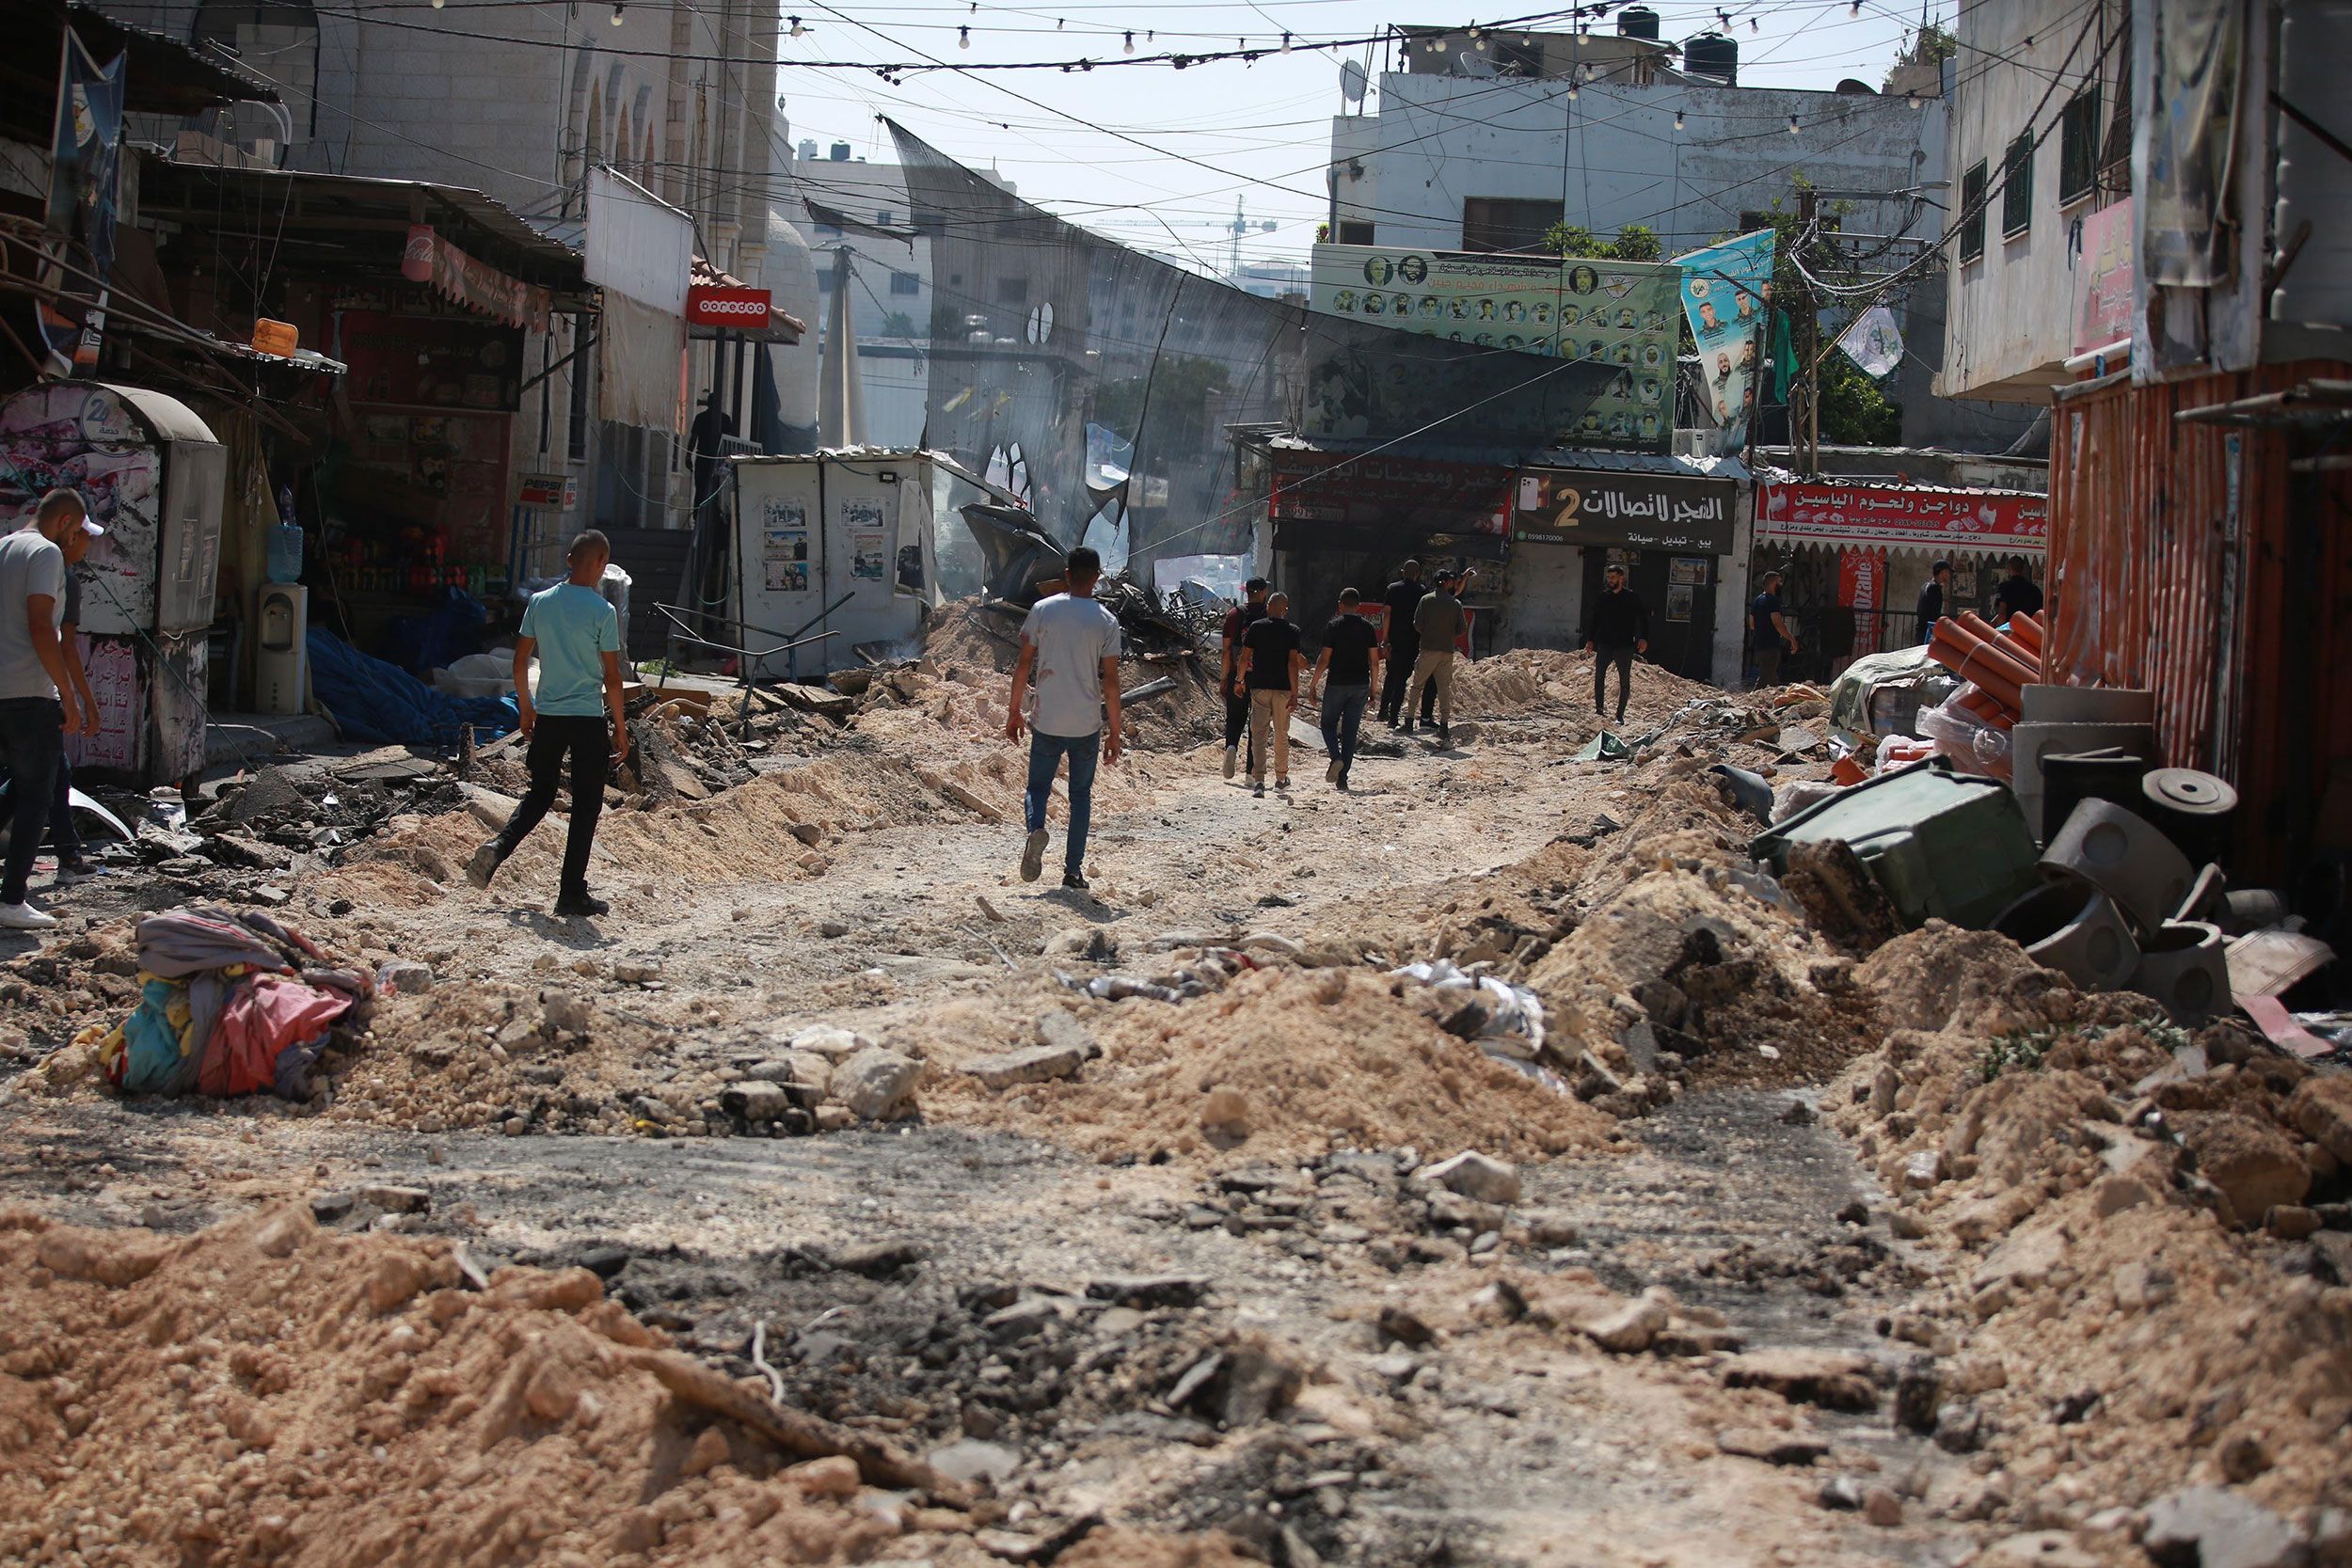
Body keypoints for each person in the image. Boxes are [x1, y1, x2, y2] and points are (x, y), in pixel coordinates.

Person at [467, 531, 629, 917]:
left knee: (540, 794)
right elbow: (612, 677)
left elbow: (520, 659)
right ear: (600, 561)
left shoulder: (540, 603)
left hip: (550, 716)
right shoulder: (602, 612)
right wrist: (620, 728)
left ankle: (499, 846)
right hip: (587, 719)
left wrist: (526, 706)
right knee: (587, 804)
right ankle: (571, 892)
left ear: (570, 559)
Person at [0, 490, 102, 931]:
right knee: (37, 795)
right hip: (28, 692)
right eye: (77, 530)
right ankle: (11, 899)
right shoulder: (44, 552)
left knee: (20, 790)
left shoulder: (5, 546)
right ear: (64, 522)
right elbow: (43, 626)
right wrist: (68, 695)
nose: (78, 538)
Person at [1004, 546, 1121, 890]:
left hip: (1047, 718)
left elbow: (1023, 664)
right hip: (1086, 723)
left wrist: (1014, 712)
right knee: (1080, 796)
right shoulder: (1107, 621)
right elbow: (1111, 683)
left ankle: (1036, 828)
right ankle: (1073, 871)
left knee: (1037, 787)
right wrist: (1115, 732)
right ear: (1097, 578)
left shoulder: (1042, 610)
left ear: (1066, 575)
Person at [1310, 589, 1381, 790]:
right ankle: (1343, 778)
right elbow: (1374, 662)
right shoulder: (1367, 628)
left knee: (1327, 724)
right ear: (1358, 606)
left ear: (1340, 604)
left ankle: (1335, 756)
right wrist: (1373, 689)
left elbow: (1324, 658)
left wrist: (1313, 683)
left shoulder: (1333, 626)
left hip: (1337, 683)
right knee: (1350, 731)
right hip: (1360, 684)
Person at [1236, 590, 1304, 795]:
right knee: (1281, 734)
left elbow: (1244, 657)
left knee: (1258, 735)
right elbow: (1293, 663)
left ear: (1268, 608)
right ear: (1286, 609)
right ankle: (1281, 779)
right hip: (1283, 689)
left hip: (1260, 688)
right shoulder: (1293, 631)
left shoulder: (1256, 628)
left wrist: (1239, 680)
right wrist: (1294, 692)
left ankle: (1259, 781)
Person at [1405, 568, 1467, 748]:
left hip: (1428, 648)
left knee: (1417, 685)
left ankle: (1409, 721)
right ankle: (1444, 725)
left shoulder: (1426, 600)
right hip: (1446, 650)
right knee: (1443, 688)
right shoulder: (1455, 604)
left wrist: (1429, 632)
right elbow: (1462, 628)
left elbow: (1417, 623)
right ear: (1447, 582)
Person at [1583, 562, 1650, 725]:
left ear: (1621, 578)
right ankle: (1599, 710)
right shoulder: (1603, 597)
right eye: (1609, 577)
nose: (1610, 580)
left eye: (1613, 577)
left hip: (1624, 645)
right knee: (1599, 677)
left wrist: (1643, 638)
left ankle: (1620, 715)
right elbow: (1595, 620)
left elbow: (1643, 618)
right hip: (1605, 644)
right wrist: (1590, 640)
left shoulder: (1631, 597)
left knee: (1624, 682)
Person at [1219, 578, 1268, 780]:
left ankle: (1231, 746)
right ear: (1264, 592)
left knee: (1235, 717)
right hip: (1263, 677)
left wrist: (1224, 678)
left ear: (1246, 592)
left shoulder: (1234, 614)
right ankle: (1250, 772)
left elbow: (1226, 650)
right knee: (1257, 725)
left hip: (1237, 675)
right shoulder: (1269, 615)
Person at [1378, 560, 1429, 727]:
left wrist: (1385, 639)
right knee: (1402, 679)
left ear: (1402, 572)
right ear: (1418, 574)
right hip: (1411, 641)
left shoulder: (1392, 589)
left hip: (1394, 639)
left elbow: (1387, 615)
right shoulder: (1421, 591)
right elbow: (1423, 619)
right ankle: (1393, 718)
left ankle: (1383, 711)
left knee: (1391, 674)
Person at [1748, 568, 1798, 688]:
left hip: (1759, 645)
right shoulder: (1773, 601)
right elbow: (1778, 623)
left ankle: (1777, 699)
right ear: (1773, 583)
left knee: (1771, 676)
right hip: (1770, 645)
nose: (1781, 585)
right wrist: (1791, 639)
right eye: (1779, 582)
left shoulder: (1757, 601)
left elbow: (1752, 624)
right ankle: (1753, 698)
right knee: (1765, 678)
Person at [1993, 555, 2043, 622]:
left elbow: (2002, 611)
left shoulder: (2004, 587)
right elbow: (2040, 611)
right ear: (2023, 569)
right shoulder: (2034, 589)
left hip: (2010, 627)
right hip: (2029, 627)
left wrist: (2000, 628)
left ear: (2009, 568)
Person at [1916, 559, 1953, 643]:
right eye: (1947, 572)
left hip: (1921, 630)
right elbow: (1934, 613)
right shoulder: (1935, 588)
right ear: (1942, 572)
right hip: (1928, 631)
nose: (1948, 575)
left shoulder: (1926, 585)